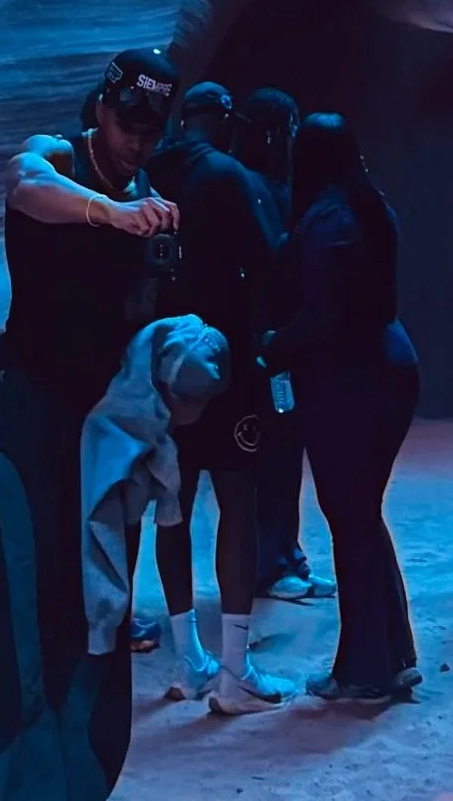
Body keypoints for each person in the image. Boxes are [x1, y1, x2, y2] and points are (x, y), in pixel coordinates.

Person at [0, 48, 181, 801]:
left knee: (98, 610)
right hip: (26, 421)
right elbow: (25, 186)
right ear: (101, 109)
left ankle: (82, 782)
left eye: (152, 132)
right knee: (18, 609)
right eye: (129, 125)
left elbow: (127, 320)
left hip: (99, 435)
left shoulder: (151, 192)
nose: (138, 144)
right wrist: (114, 215)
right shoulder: (56, 158)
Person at [146, 83, 289, 712]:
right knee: (237, 500)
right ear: (225, 122)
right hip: (224, 366)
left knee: (170, 508)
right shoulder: (229, 176)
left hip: (161, 364)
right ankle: (236, 669)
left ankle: (188, 660)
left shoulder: (148, 172)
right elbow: (270, 263)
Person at [268, 113, 420, 702]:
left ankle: (365, 671)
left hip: (347, 381)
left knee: (350, 519)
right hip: (389, 365)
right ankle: (395, 655)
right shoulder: (371, 207)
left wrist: (272, 346)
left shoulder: (327, 221)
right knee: (362, 515)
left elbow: (321, 315)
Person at [229, 86, 327, 603]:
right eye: (290, 130)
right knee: (269, 455)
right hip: (263, 345)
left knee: (288, 452)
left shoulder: (276, 184)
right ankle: (268, 563)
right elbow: (269, 259)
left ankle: (287, 553)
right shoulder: (250, 185)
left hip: (285, 343)